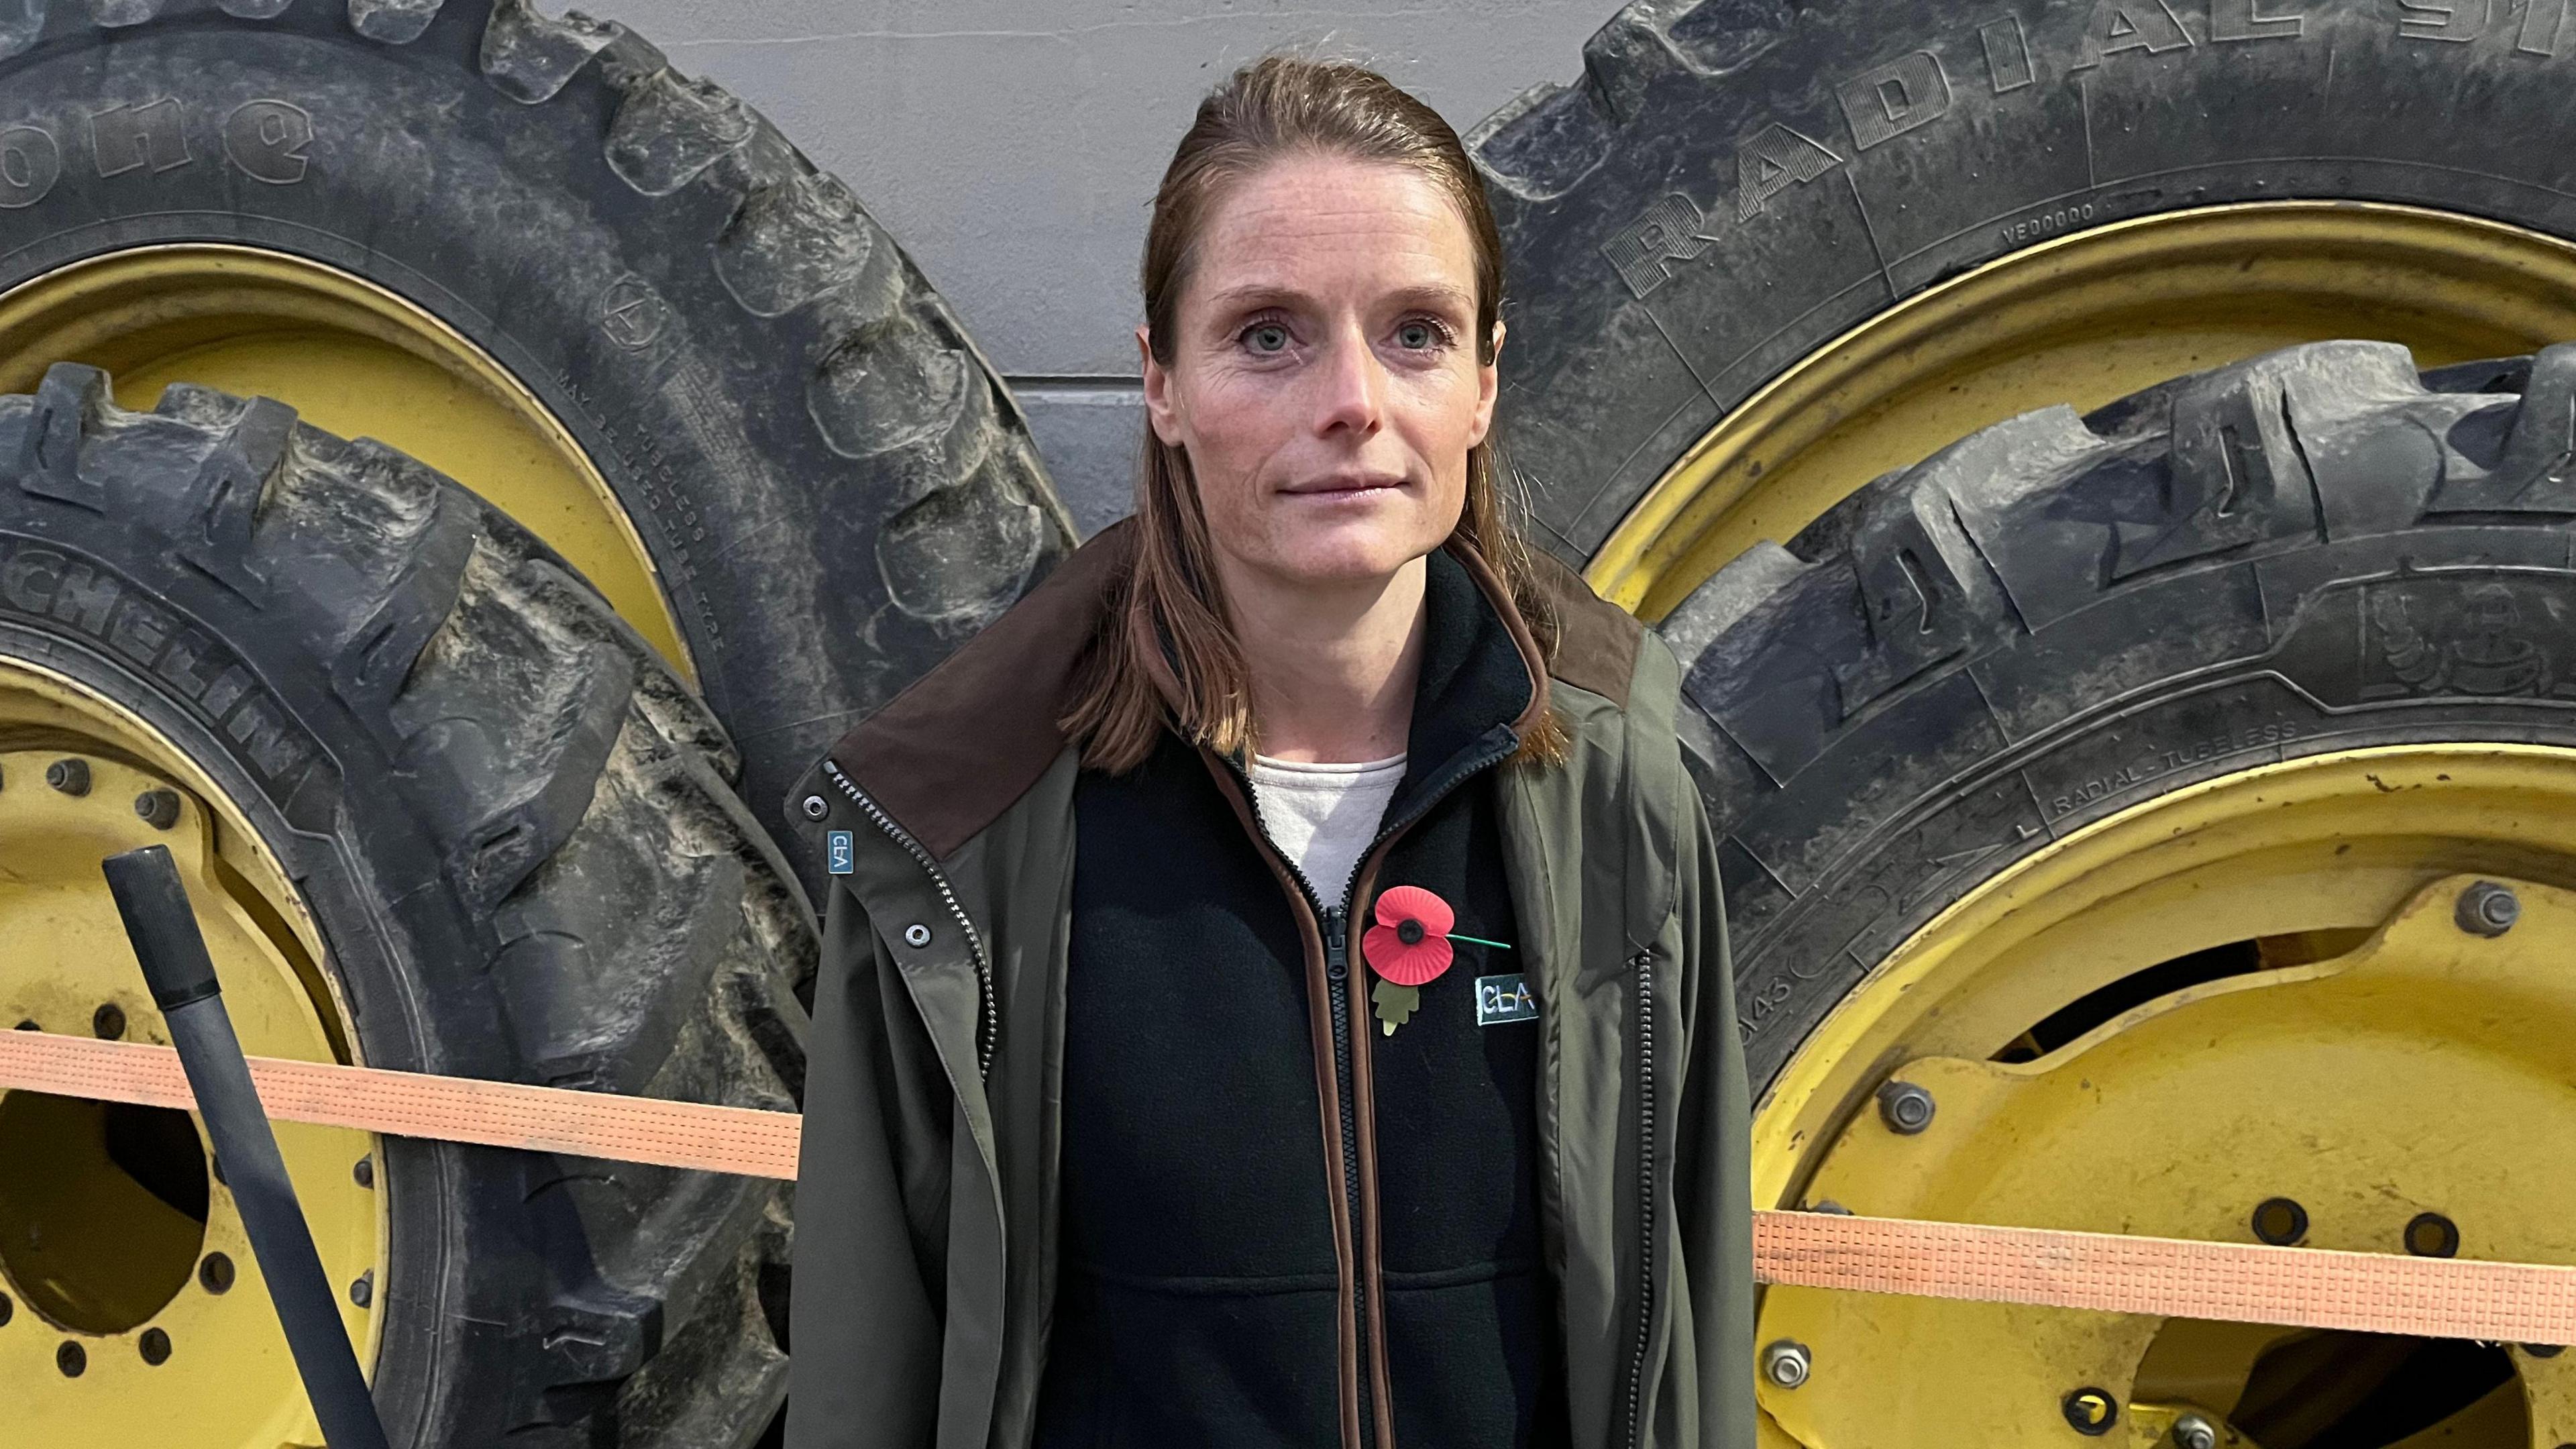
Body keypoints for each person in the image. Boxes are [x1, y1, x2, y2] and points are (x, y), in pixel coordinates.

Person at [784, 54, 1752, 1449]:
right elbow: (872, 1369)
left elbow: (1691, 1312)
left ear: (1484, 384)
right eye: (1269, 337)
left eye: (1415, 333)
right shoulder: (962, 835)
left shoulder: (1618, 789)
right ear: (1161, 384)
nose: (1351, 400)